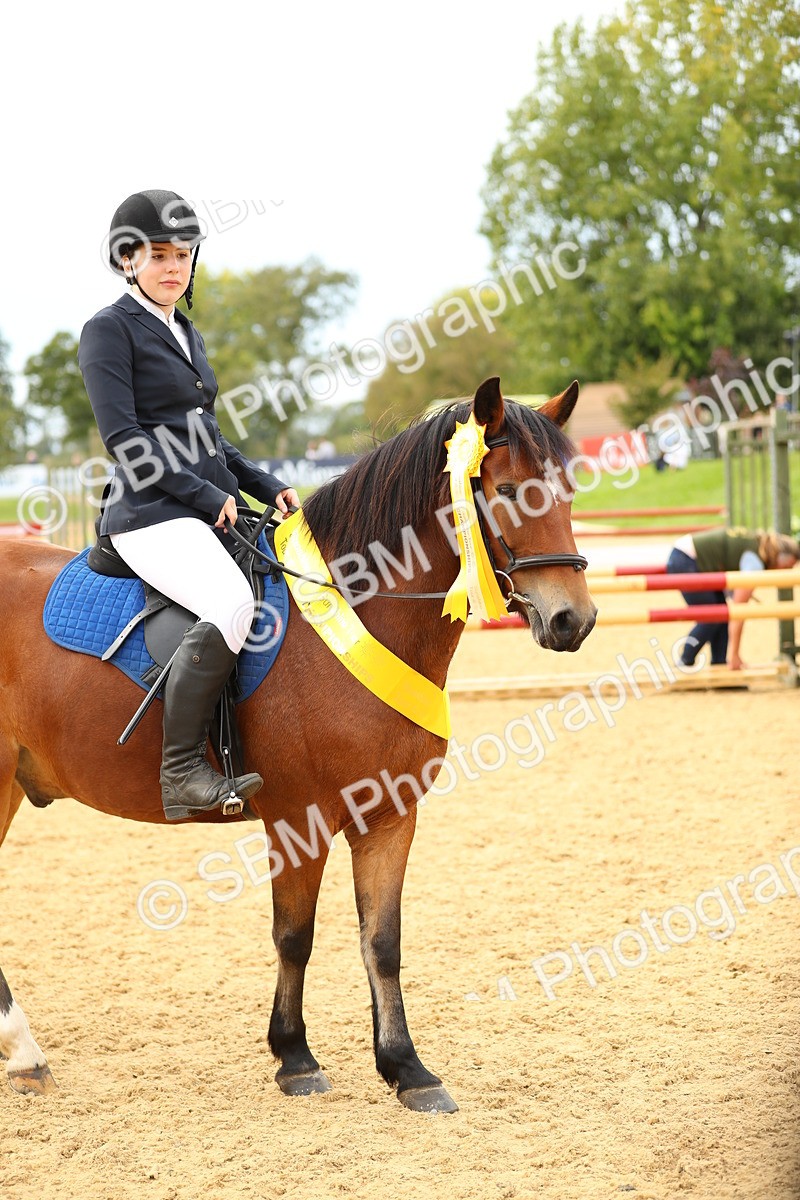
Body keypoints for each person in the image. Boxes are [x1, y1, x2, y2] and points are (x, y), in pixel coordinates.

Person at [79, 189, 300, 822]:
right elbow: (125, 440)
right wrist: (206, 498)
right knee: (233, 604)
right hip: (146, 516)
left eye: (183, 255)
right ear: (128, 260)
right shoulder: (108, 330)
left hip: (193, 507)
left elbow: (208, 437)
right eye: (159, 256)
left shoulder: (183, 329)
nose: (173, 267)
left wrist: (261, 483)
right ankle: (180, 771)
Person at [666, 528, 800, 670]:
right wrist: (735, 654)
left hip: (688, 556)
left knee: (720, 615)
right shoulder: (754, 563)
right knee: (711, 617)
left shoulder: (755, 547)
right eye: (786, 567)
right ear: (777, 556)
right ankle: (685, 661)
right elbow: (738, 612)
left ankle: (719, 663)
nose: (785, 572)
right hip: (686, 559)